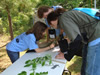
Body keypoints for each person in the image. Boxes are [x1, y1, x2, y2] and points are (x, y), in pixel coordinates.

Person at [47, 8, 100, 75]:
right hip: (91, 36)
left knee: (92, 70)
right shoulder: (66, 17)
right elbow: (72, 38)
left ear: (51, 22)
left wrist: (66, 56)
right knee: (86, 61)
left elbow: (77, 40)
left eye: (51, 25)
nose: (53, 27)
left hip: (96, 35)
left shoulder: (63, 19)